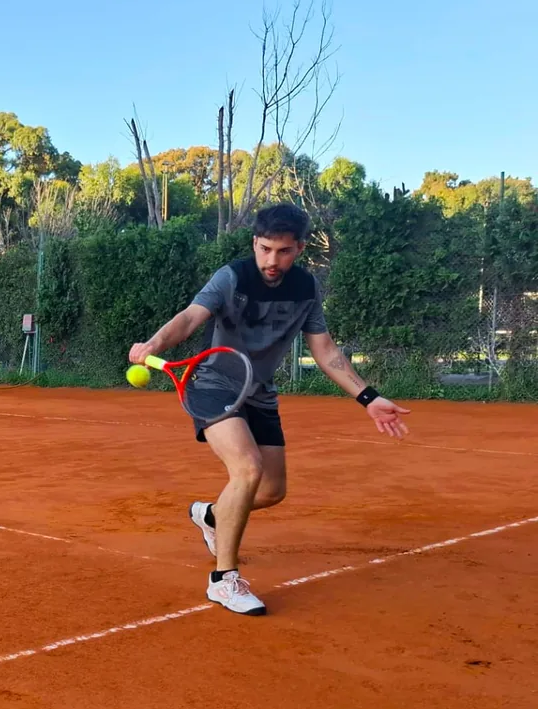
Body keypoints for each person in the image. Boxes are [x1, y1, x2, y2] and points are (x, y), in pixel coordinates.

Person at [128, 203, 410, 617]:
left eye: (283, 252)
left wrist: (368, 397)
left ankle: (210, 515)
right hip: (212, 383)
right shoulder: (232, 277)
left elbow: (325, 349)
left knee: (272, 491)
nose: (272, 260)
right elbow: (191, 317)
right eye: (264, 249)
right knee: (247, 468)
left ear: (299, 248)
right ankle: (223, 581)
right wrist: (153, 345)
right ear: (254, 243)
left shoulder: (306, 289)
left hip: (259, 391)